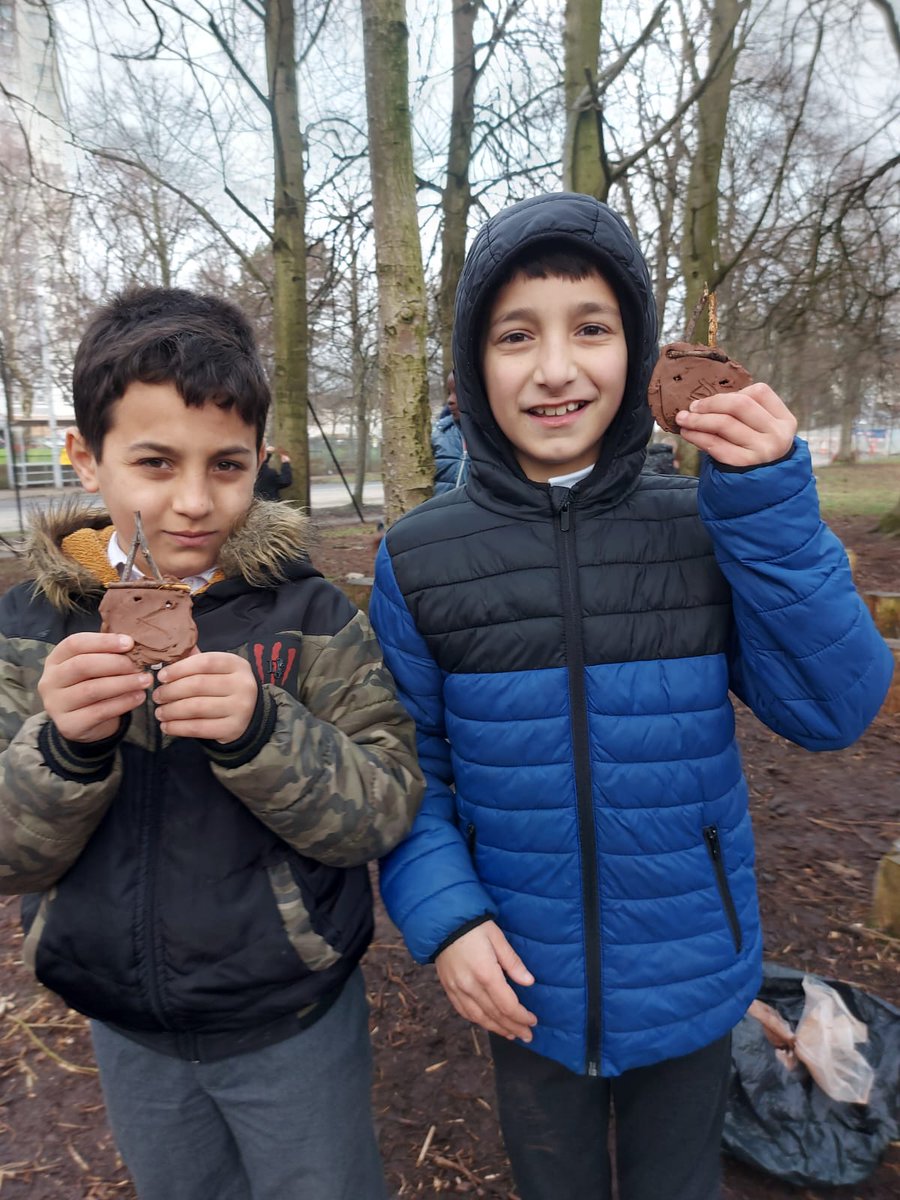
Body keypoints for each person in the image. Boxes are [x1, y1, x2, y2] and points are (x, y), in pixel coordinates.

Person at [368, 193, 893, 1200]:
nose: (557, 368)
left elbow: (833, 711)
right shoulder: (419, 559)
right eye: (517, 335)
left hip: (694, 976)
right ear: (475, 365)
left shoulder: (703, 524)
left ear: (642, 351)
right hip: (525, 983)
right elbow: (407, 767)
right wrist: (446, 918)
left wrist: (773, 506)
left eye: (592, 329)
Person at [0, 286, 424, 1200]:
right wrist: (62, 748)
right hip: (123, 1023)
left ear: (261, 464)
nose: (194, 502)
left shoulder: (308, 616)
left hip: (292, 1020)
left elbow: (384, 804)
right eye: (155, 462)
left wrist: (267, 731)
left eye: (226, 466)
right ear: (87, 459)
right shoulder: (29, 629)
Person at [431, 369, 470, 493]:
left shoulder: (497, 436)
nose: (450, 400)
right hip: (441, 511)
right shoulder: (439, 434)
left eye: (457, 392)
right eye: (449, 392)